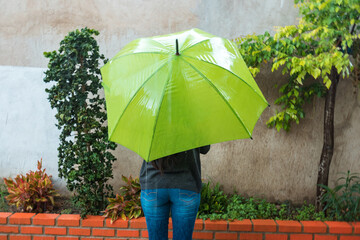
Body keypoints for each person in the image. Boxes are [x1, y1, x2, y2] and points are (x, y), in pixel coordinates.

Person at [139, 145, 211, 240]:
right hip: (186, 184)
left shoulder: (150, 130)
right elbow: (205, 148)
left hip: (153, 184)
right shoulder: (192, 129)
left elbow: (142, 147)